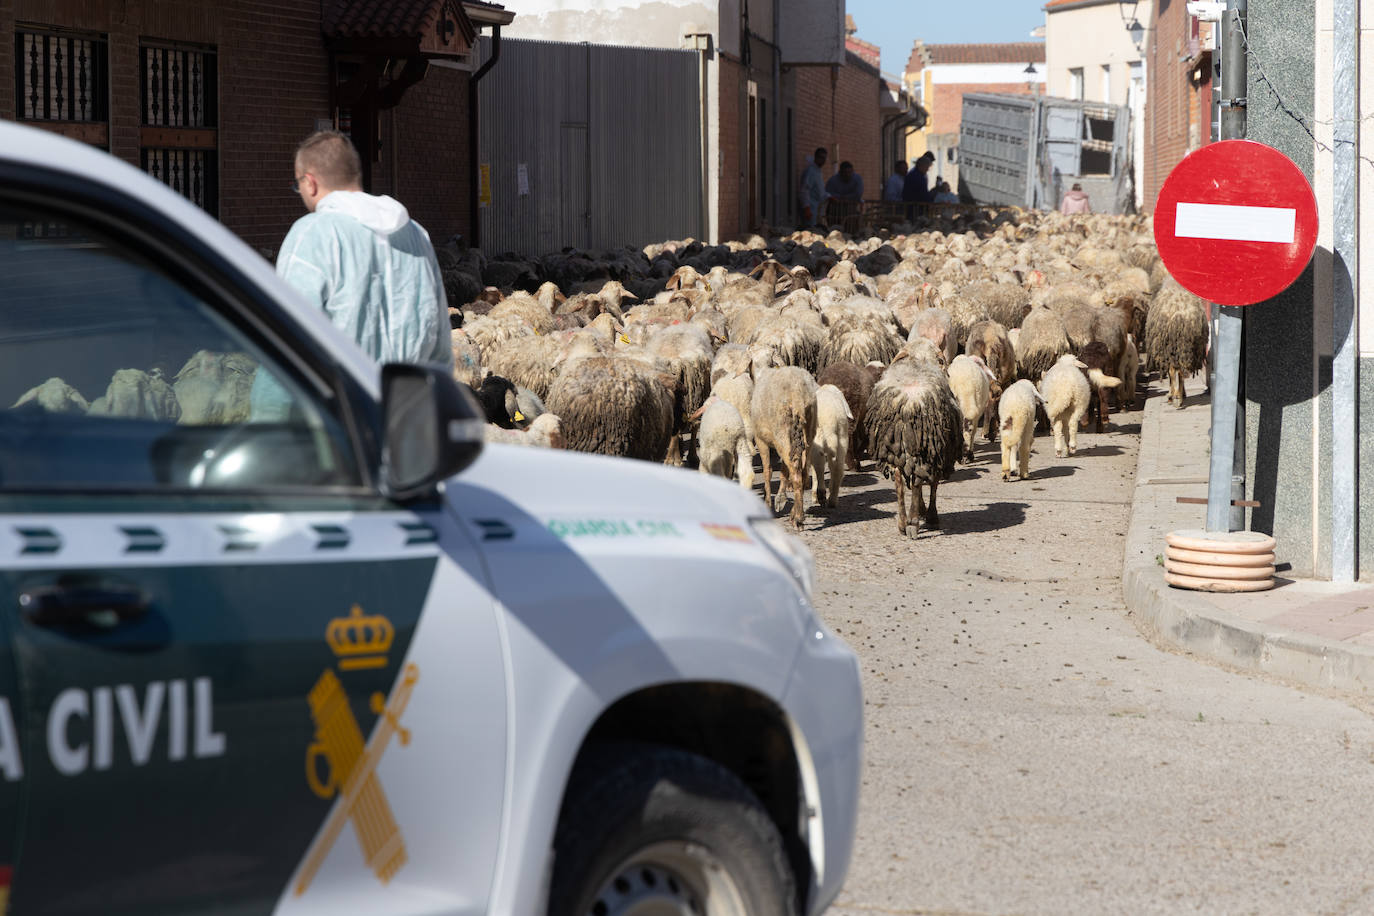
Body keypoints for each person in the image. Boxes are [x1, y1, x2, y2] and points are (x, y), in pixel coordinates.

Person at [251, 131, 451, 419]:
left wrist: (268, 421)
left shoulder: (313, 234)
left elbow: (289, 337)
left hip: (342, 425)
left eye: (298, 186)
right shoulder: (416, 234)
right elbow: (441, 346)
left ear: (310, 182)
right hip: (408, 420)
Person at [798, 147, 829, 228]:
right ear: (816, 157)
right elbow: (804, 190)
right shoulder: (810, 171)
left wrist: (829, 196)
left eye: (824, 158)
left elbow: (819, 190)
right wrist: (806, 207)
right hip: (810, 208)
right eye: (821, 157)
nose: (822, 160)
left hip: (817, 209)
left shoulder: (818, 171)